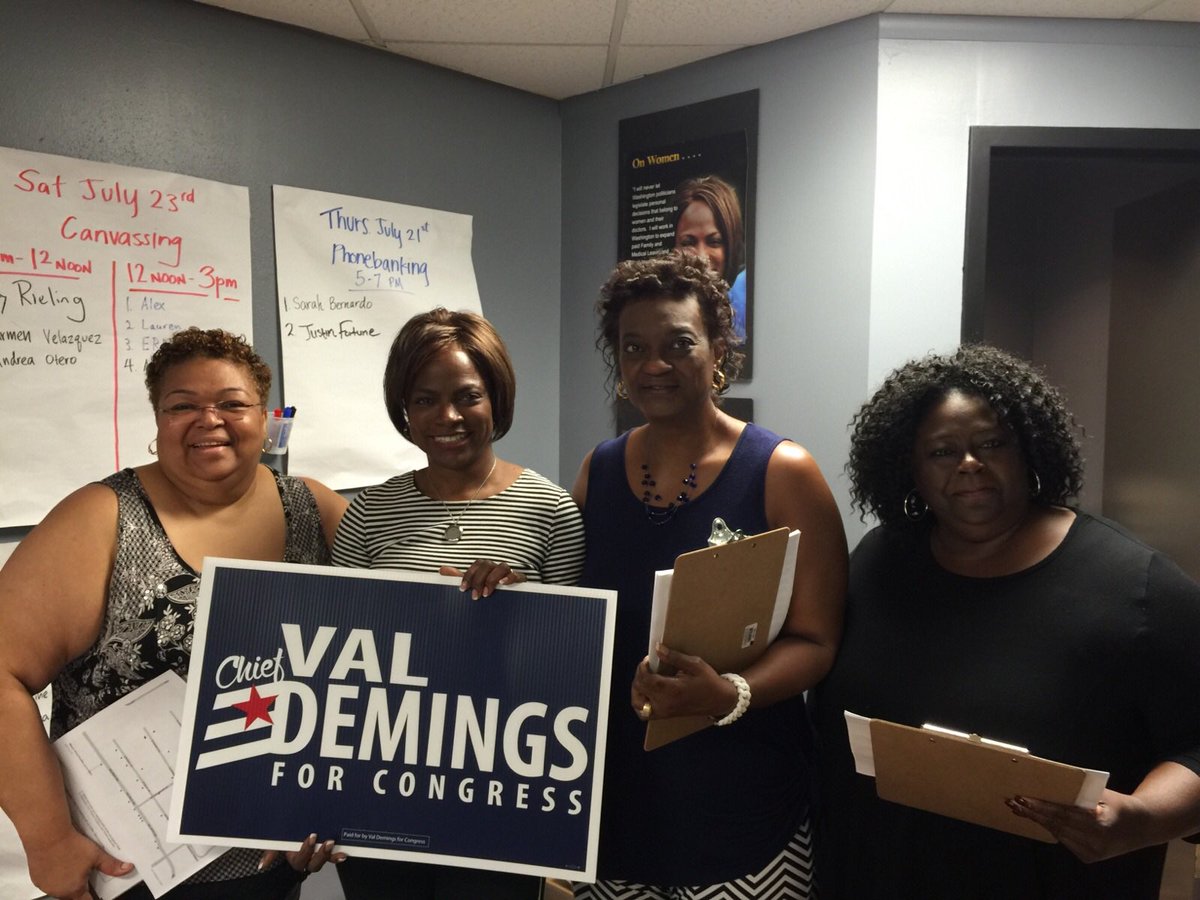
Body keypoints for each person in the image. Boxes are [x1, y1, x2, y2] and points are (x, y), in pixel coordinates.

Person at [811, 343, 1200, 899]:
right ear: (910, 469)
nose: (970, 463)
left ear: (1029, 450)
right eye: (942, 452)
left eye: (992, 443)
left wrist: (1143, 819)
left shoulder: (1136, 586)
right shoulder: (880, 560)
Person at [0, 327, 348, 900]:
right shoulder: (103, 516)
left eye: (232, 403)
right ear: (159, 422)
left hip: (273, 862)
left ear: (264, 418)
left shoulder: (313, 509)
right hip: (130, 871)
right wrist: (48, 839)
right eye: (182, 406)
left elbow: (394, 647)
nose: (209, 420)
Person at [571, 252, 847, 899]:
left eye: (678, 344)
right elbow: (575, 612)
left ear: (719, 348)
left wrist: (729, 694)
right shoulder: (598, 471)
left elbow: (817, 641)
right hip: (618, 808)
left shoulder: (782, 471)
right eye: (634, 347)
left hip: (743, 809)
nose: (653, 364)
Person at [332, 307, 586, 900]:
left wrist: (524, 612)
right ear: (404, 409)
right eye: (424, 400)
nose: (447, 417)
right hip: (382, 796)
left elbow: (573, 675)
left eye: (467, 396)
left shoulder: (552, 511)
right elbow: (337, 662)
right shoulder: (368, 514)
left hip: (501, 795)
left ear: (496, 398)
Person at [672, 175, 747, 342]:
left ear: (732, 245)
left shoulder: (745, 300)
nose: (701, 256)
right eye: (688, 242)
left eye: (714, 242)